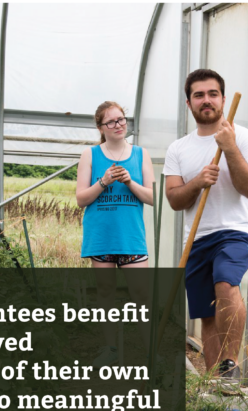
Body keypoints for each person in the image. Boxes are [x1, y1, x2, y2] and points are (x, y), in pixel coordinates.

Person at [164, 69, 248, 378]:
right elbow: (174, 199)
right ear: (189, 103)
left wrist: (230, 147)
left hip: (234, 232)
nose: (206, 100)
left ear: (223, 99)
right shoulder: (178, 148)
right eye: (199, 95)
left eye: (212, 94)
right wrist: (197, 181)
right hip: (196, 238)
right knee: (207, 314)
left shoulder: (243, 137)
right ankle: (216, 386)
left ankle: (230, 365)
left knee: (226, 282)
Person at [76, 100, 155, 367]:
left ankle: (149, 350)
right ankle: (110, 348)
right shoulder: (90, 155)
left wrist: (129, 181)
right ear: (101, 127)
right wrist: (104, 181)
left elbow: (153, 197)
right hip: (102, 236)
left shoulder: (140, 154)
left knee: (141, 293)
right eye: (111, 121)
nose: (118, 125)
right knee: (106, 292)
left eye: (121, 119)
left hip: (131, 236)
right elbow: (81, 199)